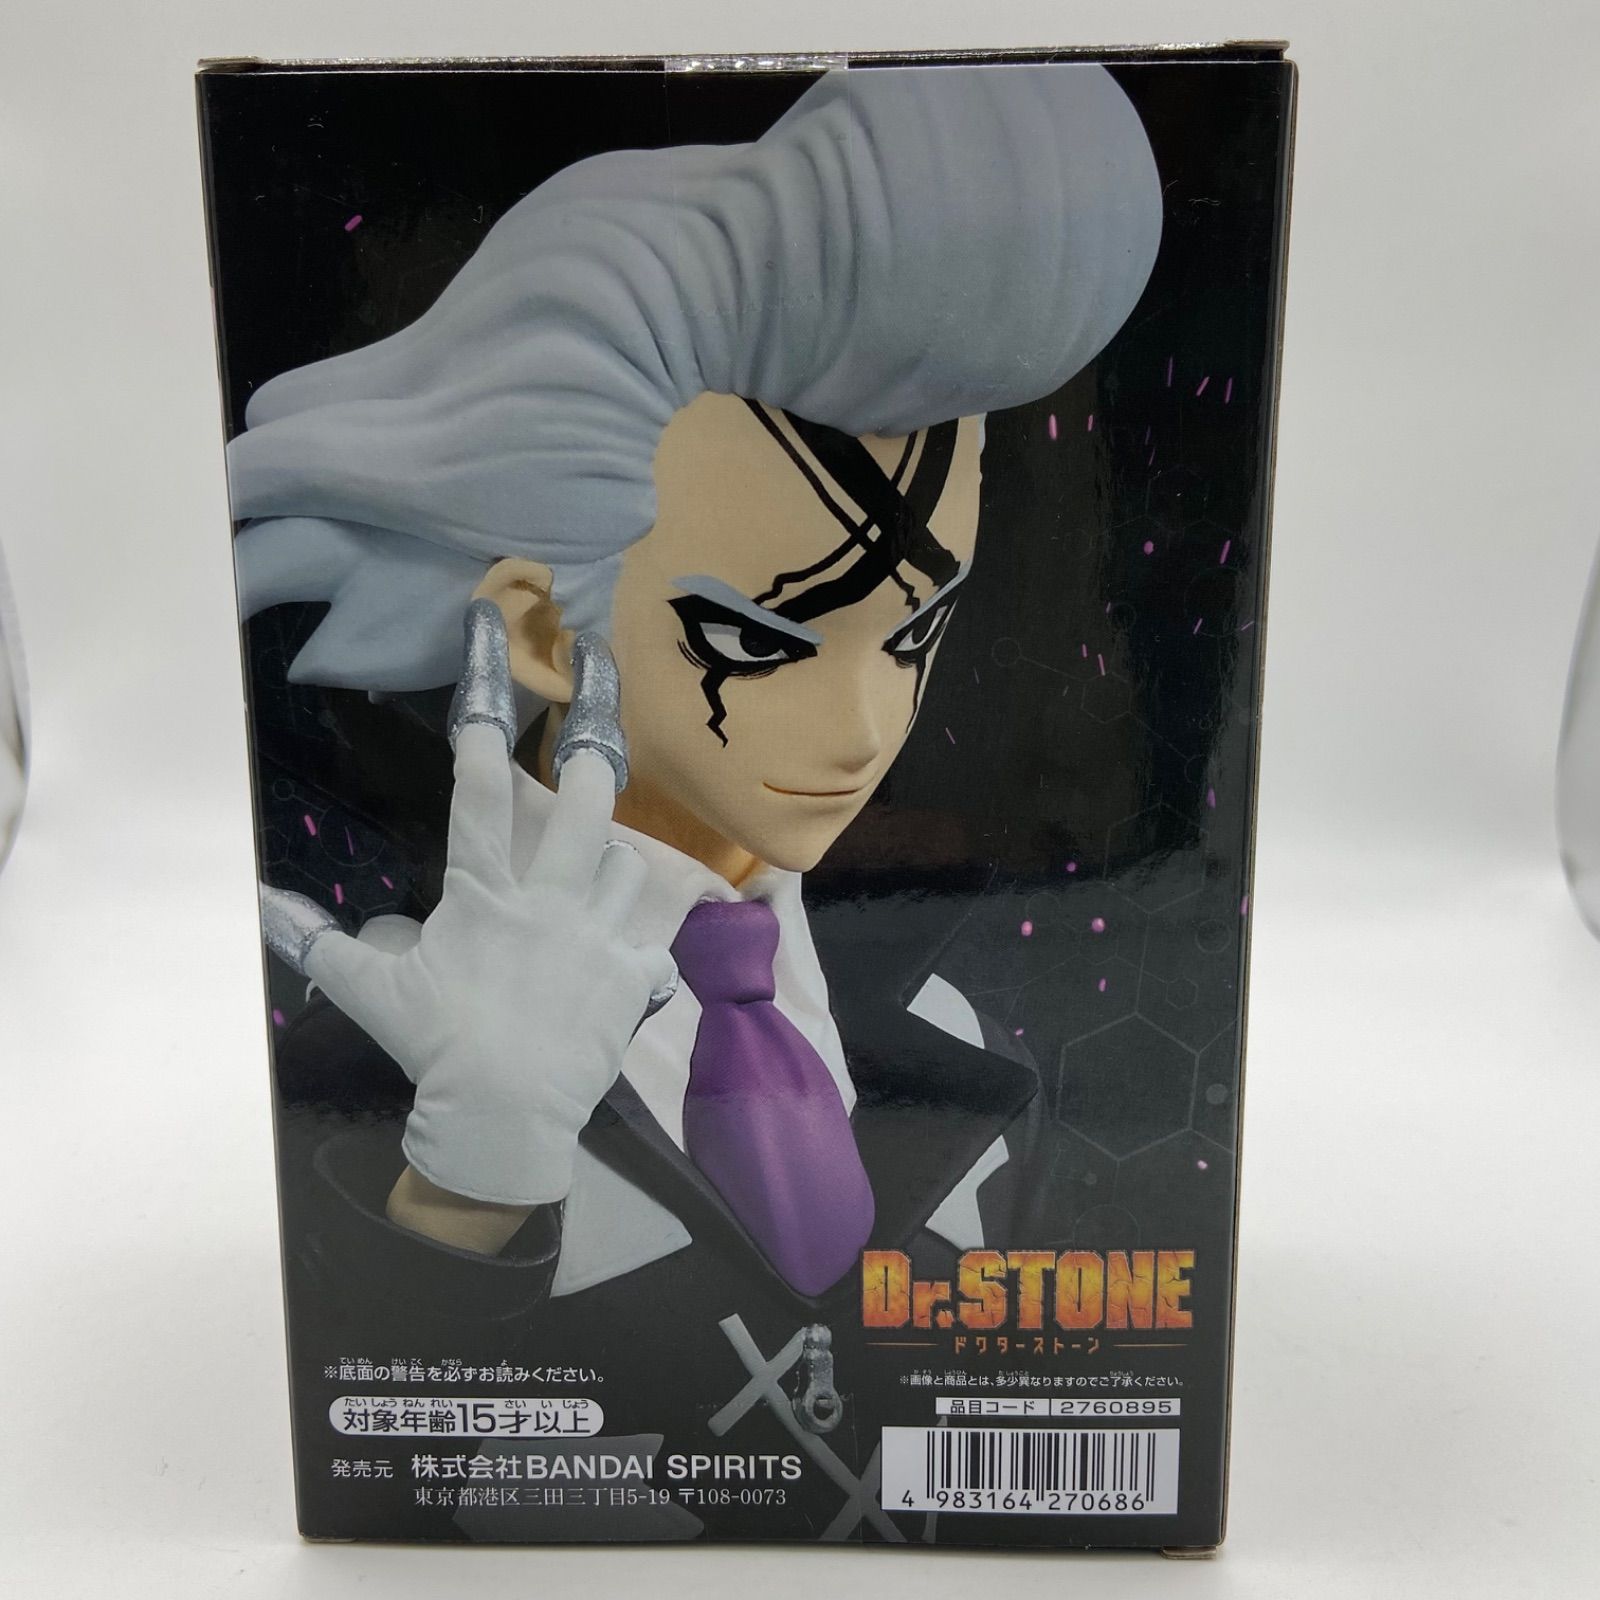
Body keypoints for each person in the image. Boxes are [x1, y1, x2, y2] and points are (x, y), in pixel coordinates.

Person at [232, 63, 1162, 1542]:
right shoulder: (396, 1025)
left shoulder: (955, 1026)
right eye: (758, 640)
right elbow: (384, 1453)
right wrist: (466, 1190)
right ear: (538, 628)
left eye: (913, 634)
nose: (863, 725)